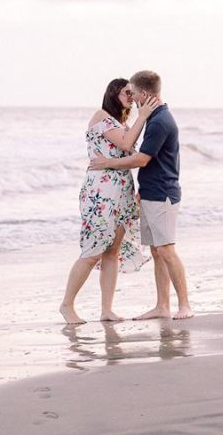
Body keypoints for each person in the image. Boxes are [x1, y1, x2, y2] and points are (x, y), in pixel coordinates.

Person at [90, 70, 193, 320]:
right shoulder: (155, 117)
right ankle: (162, 306)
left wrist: (107, 163)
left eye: (134, 93)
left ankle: (185, 305)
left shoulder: (159, 121)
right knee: (157, 252)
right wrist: (139, 191)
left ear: (144, 94)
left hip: (162, 194)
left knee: (166, 250)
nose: (133, 98)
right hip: (150, 192)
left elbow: (142, 160)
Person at [59, 78, 160, 324]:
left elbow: (134, 155)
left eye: (132, 93)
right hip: (100, 191)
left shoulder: (123, 124)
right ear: (113, 93)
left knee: (112, 251)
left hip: (122, 189)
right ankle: (67, 305)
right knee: (93, 250)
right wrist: (143, 116)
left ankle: (107, 310)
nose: (131, 97)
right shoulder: (101, 117)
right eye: (126, 92)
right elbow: (125, 144)